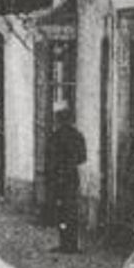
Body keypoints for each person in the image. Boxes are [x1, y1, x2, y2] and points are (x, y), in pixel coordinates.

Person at [48, 103, 89, 255]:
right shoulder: (78, 136)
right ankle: (73, 244)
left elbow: (50, 159)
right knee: (72, 211)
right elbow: (82, 159)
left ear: (58, 120)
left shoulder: (55, 136)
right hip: (72, 177)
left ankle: (64, 243)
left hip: (58, 178)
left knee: (61, 212)